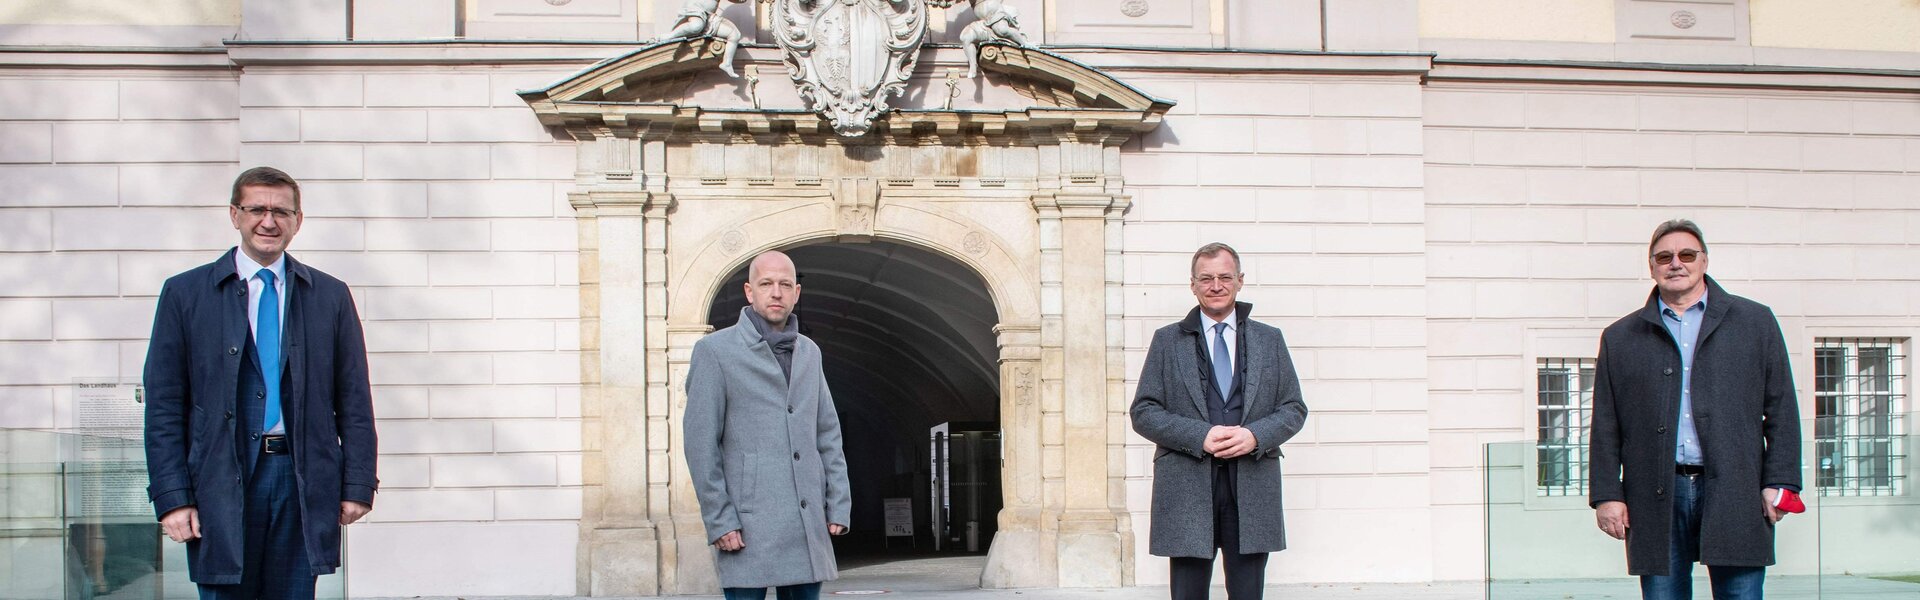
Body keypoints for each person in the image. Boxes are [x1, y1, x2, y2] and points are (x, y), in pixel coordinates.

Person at [143, 166, 378, 600]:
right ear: (235, 214)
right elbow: (164, 405)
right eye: (257, 210)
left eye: (281, 212)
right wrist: (172, 496)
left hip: (301, 478)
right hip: (218, 479)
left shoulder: (329, 295)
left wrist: (358, 484)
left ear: (297, 220)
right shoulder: (186, 294)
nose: (268, 221)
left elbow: (354, 400)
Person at [1589, 219, 1801, 600]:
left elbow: (1782, 408)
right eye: (1664, 257)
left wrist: (1781, 482)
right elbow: (1606, 424)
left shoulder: (1755, 323)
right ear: (1651, 266)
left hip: (1736, 487)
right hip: (1655, 493)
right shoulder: (1621, 338)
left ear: (1704, 261)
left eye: (1687, 254)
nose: (1676, 263)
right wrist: (1607, 495)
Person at [1130, 242, 1308, 600]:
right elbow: (1144, 411)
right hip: (1186, 486)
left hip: (1253, 483)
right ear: (1193, 285)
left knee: (1248, 593)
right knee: (1188, 594)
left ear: (1240, 281)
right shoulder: (1167, 341)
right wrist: (1200, 435)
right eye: (1206, 278)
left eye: (1225, 277)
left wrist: (1255, 435)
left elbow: (1293, 409)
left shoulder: (1269, 340)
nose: (1216, 286)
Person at [684, 250, 851, 600]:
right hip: (747, 526)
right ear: (749, 291)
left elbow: (827, 434)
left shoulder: (810, 352)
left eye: (785, 285)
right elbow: (700, 444)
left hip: (806, 522)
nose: (776, 292)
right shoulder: (715, 351)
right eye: (766, 284)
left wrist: (838, 502)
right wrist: (720, 519)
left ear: (796, 293)